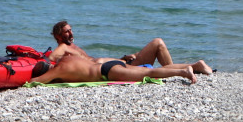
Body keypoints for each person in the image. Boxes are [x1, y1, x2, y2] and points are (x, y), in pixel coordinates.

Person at [48, 20, 212, 75]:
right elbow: (50, 59)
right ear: (58, 36)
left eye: (70, 30)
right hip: (120, 68)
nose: (71, 33)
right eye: (66, 32)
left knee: (157, 45)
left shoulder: (72, 47)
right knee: (157, 42)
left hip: (121, 63)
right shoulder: (62, 48)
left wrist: (122, 58)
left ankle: (195, 66)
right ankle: (195, 66)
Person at [30, 53, 196, 85]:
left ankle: (183, 72)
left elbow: (35, 81)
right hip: (110, 64)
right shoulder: (67, 58)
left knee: (149, 72)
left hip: (107, 73)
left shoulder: (58, 70)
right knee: (148, 70)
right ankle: (187, 67)